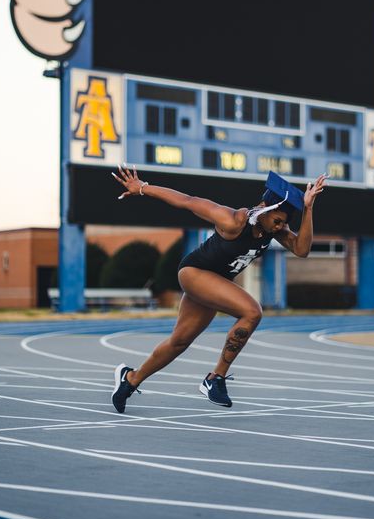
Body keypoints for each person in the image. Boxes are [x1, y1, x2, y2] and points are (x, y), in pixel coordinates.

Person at [110, 166, 328, 413]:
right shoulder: (233, 220)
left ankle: (130, 380)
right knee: (252, 312)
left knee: (179, 342)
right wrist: (142, 188)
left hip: (214, 282)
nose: (280, 227)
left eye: (284, 224)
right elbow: (187, 201)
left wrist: (308, 208)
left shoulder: (275, 230)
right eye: (277, 221)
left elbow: (302, 250)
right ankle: (216, 378)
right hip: (195, 273)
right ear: (265, 208)